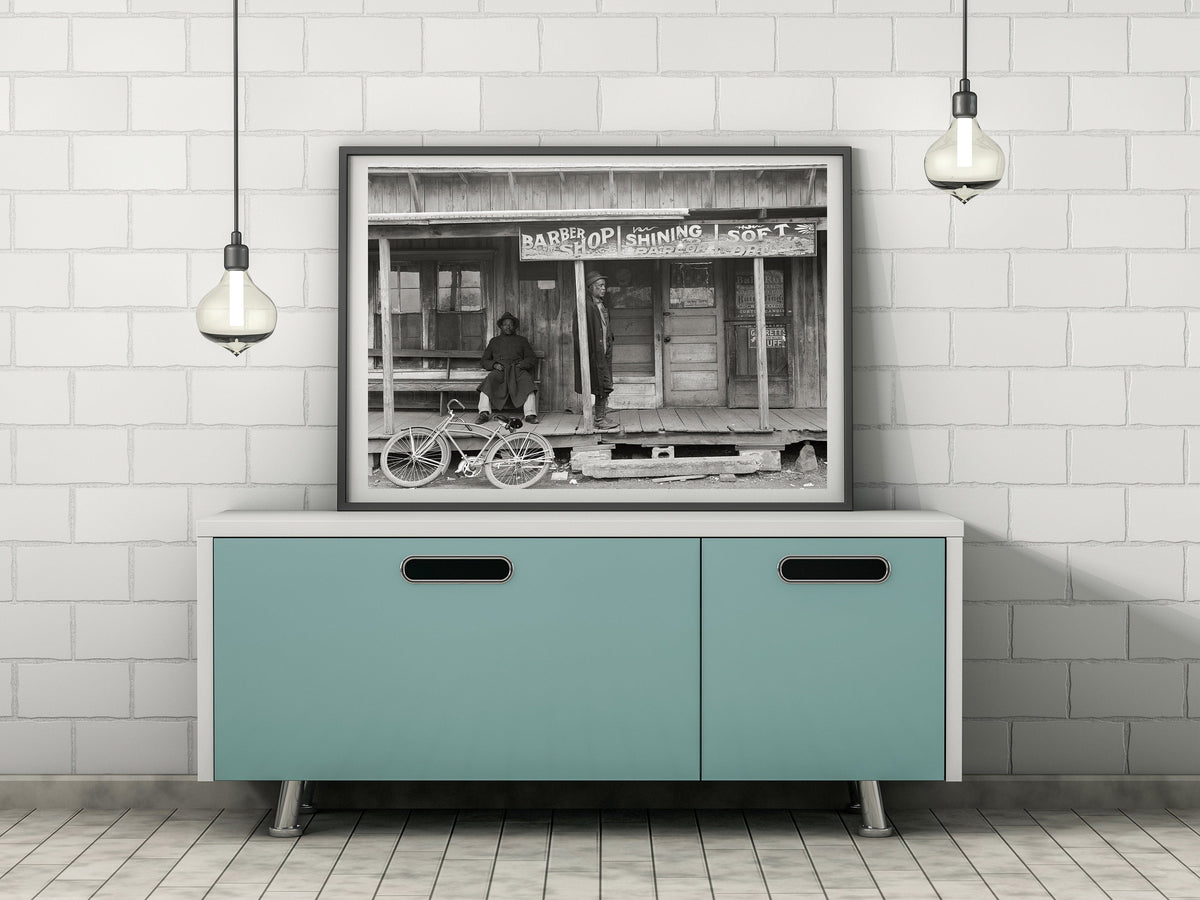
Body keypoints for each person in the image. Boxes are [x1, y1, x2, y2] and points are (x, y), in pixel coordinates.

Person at [475, 311, 539, 425]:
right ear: (501, 326)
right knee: (489, 381)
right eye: (505, 324)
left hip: (517, 370)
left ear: (514, 326)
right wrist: (494, 365)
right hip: (501, 370)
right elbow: (484, 360)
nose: (508, 327)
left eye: (510, 324)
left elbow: (531, 358)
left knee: (527, 382)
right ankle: (484, 413)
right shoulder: (494, 341)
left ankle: (530, 414)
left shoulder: (522, 341)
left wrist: (521, 365)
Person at [573, 270, 617, 430]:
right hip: (593, 354)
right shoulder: (585, 307)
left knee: (604, 383)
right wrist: (588, 353)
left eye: (604, 286)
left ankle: (601, 415)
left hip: (604, 352)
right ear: (590, 288)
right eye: (600, 286)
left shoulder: (601, 305)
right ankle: (599, 420)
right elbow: (579, 333)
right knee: (599, 385)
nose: (603, 288)